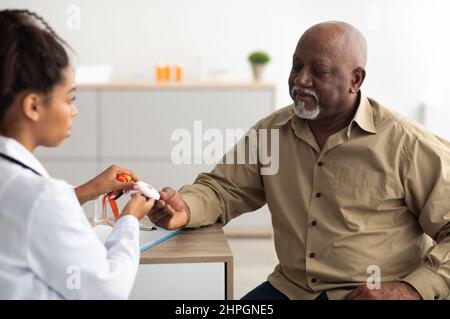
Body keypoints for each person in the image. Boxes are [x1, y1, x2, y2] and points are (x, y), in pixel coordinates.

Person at [148, 21, 450, 300]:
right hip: (291, 290)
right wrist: (185, 207)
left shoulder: (407, 144)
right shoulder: (272, 132)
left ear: (355, 80)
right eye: (296, 66)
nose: (300, 79)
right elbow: (223, 190)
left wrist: (411, 290)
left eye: (319, 71)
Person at [0, 9, 154, 299]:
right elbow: (108, 289)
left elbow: (24, 215)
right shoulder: (41, 196)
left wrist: (88, 190)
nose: (74, 110)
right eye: (69, 99)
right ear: (33, 106)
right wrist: (129, 219)